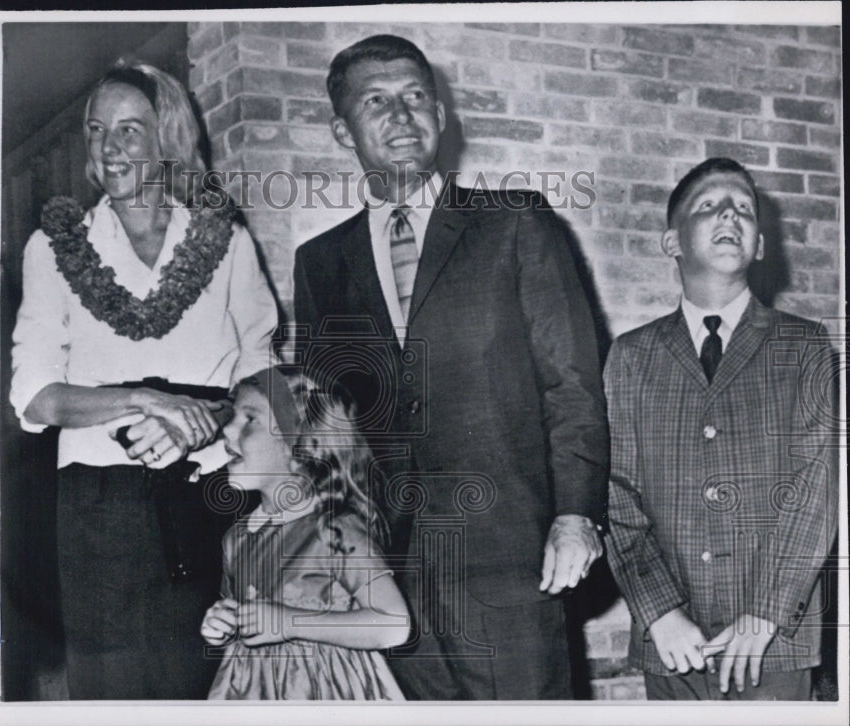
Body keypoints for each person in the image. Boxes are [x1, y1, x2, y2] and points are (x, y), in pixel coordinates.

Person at [293, 35, 608, 699]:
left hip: (512, 560)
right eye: (376, 101)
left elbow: (573, 385)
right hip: (389, 577)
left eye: (415, 98)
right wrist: (331, 546)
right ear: (341, 130)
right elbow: (322, 421)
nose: (401, 115)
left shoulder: (514, 225)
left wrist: (575, 517)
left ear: (439, 114)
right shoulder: (320, 262)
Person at [9, 59, 277, 699]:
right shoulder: (53, 247)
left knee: (211, 682)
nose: (110, 146)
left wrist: (202, 422)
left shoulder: (227, 241)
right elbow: (36, 396)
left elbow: (266, 376)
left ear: (168, 142)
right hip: (99, 511)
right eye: (98, 130)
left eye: (131, 130)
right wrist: (144, 399)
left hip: (211, 495)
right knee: (115, 691)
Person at [604, 157, 838, 700]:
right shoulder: (632, 356)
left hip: (775, 642)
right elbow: (614, 495)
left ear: (759, 246)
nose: (730, 213)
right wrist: (660, 611)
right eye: (709, 204)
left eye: (745, 209)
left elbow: (817, 490)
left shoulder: (804, 345)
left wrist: (765, 614)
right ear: (672, 243)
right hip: (673, 645)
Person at [201, 367, 409, 700]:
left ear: (299, 443)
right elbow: (239, 611)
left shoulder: (334, 530)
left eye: (249, 419)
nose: (227, 430)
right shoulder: (236, 538)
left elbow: (393, 624)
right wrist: (223, 625)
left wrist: (290, 623)